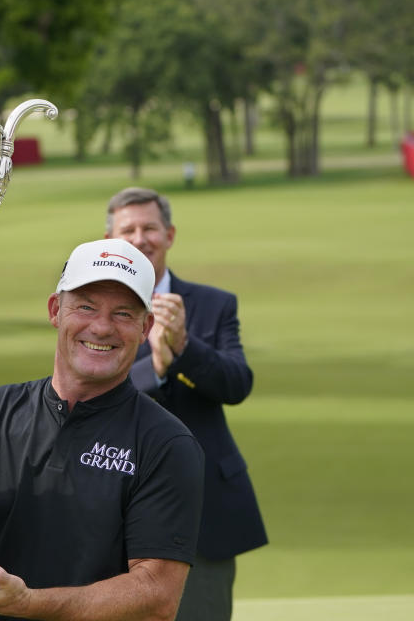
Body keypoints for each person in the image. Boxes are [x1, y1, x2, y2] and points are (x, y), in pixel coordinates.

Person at [0, 238, 205, 621]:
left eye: (124, 314)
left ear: (145, 327)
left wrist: (29, 604)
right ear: (55, 310)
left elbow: (157, 597)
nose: (101, 327)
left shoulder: (165, 443)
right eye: (85, 306)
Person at [104, 187, 267, 621]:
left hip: (206, 510)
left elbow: (237, 384)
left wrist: (185, 348)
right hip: (118, 500)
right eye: (128, 230)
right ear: (111, 241)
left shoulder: (214, 304)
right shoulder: (95, 310)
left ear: (170, 234)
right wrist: (155, 365)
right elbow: (90, 391)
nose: (140, 238)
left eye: (149, 228)